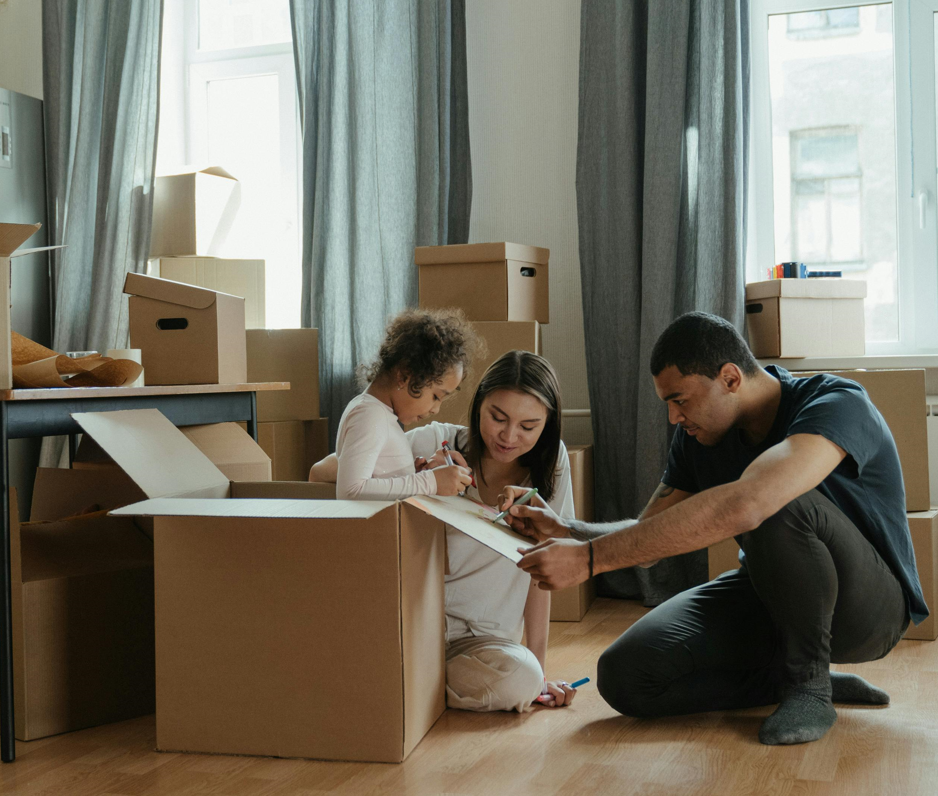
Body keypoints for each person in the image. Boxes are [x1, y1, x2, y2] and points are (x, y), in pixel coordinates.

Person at [510, 312, 928, 745]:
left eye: (681, 400)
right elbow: (650, 536)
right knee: (625, 676)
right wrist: (569, 531)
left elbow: (752, 502)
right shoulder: (698, 437)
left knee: (775, 500)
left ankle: (810, 687)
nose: (673, 417)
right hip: (771, 596)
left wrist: (590, 560)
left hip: (870, 611)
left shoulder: (837, 402)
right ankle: (790, 678)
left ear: (730, 378)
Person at [313, 350, 579, 711]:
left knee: (523, 679)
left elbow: (542, 571)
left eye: (528, 427)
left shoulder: (553, 467)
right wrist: (419, 478)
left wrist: (540, 673)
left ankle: (406, 685)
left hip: (485, 642)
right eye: (497, 417)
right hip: (416, 626)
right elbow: (322, 472)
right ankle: (409, 682)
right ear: (478, 405)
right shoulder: (435, 441)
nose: (509, 436)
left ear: (547, 425)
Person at [333, 308, 478, 500]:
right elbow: (351, 491)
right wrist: (430, 481)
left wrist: (412, 476)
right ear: (404, 375)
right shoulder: (369, 415)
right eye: (436, 396)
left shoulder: (380, 414)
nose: (436, 409)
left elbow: (379, 483)